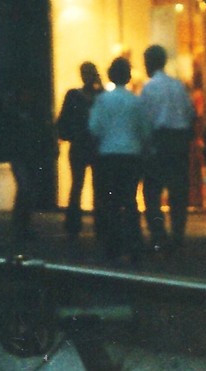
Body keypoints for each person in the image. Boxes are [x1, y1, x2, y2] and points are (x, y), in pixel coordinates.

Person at [87, 56, 151, 263]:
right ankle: (135, 243)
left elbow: (94, 127)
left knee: (111, 202)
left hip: (108, 155)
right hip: (131, 154)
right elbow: (145, 130)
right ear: (128, 75)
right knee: (130, 200)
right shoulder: (135, 100)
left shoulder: (102, 100)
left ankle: (113, 245)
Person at [139, 44, 197, 250]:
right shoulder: (178, 85)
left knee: (152, 190)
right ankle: (178, 234)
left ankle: (158, 233)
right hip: (179, 141)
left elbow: (144, 120)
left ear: (149, 63)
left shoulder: (149, 87)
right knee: (178, 190)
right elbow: (191, 113)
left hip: (159, 140)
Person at [56, 62, 105, 237]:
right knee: (98, 186)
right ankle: (100, 224)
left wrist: (68, 136)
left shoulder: (74, 95)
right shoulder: (102, 95)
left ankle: (73, 225)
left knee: (77, 185)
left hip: (78, 145)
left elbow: (63, 121)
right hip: (96, 146)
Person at [4, 83, 58, 244]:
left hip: (29, 155)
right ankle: (21, 225)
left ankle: (22, 224)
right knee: (26, 188)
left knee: (27, 189)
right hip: (23, 155)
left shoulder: (26, 113)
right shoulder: (29, 114)